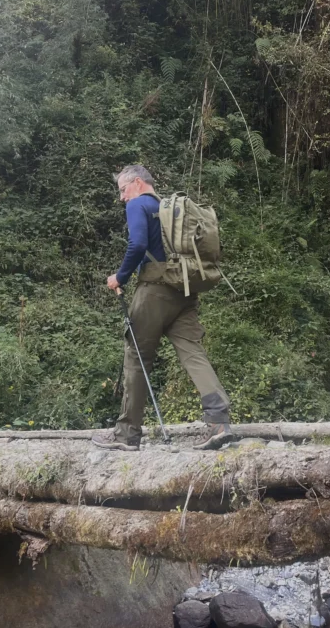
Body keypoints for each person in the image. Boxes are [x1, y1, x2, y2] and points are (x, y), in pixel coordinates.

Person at [91, 164, 233, 451]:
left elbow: (138, 243)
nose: (121, 198)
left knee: (136, 357)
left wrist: (120, 276)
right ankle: (219, 422)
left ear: (138, 183)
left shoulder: (138, 205)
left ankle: (126, 435)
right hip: (184, 289)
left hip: (154, 292)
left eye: (122, 189)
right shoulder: (170, 210)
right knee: (193, 352)